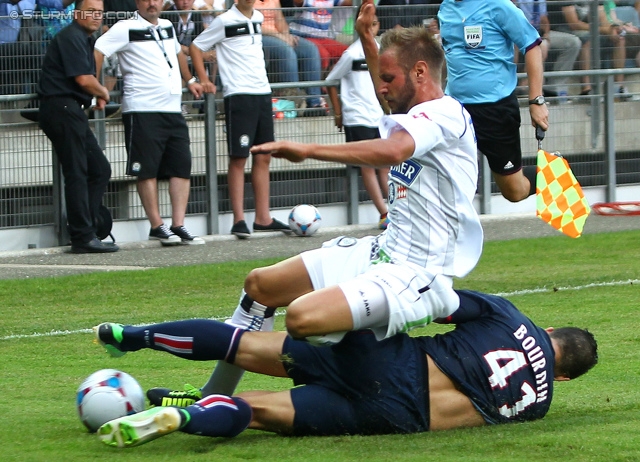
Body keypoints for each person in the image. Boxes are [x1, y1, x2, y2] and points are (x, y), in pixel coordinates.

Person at [151, 0, 484, 401]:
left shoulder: (445, 115)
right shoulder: (414, 110)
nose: (380, 88)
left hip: (416, 273)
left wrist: (308, 150)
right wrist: (365, 37)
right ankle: (211, 395)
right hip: (382, 251)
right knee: (260, 285)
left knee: (303, 319)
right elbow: (392, 105)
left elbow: (395, 151)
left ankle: (353, 385)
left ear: (420, 72)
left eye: (388, 79)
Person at [93, 289, 598, 446]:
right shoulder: (540, 404)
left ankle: (132, 337)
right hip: (397, 416)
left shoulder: (510, 315)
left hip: (394, 361)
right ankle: (186, 418)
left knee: (242, 345)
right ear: (566, 376)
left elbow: (436, 300)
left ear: (550, 329)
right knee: (256, 413)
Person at [94, 0, 207, 246]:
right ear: (138, 2)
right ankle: (157, 225)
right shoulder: (125, 27)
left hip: (172, 107)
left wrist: (190, 80)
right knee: (146, 169)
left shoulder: (167, 25)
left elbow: (177, 53)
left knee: (181, 166)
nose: (152, 3)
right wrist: (96, 86)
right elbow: (99, 49)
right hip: (142, 108)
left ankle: (178, 224)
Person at [189, 0, 292, 239]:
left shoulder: (256, 18)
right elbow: (196, 46)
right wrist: (204, 79)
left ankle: (263, 217)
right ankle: (238, 219)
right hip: (239, 95)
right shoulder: (224, 21)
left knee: (264, 155)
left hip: (262, 93)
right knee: (239, 156)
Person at [438, 0, 549, 203]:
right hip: (456, 110)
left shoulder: (498, 5)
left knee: (514, 191)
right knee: (446, 182)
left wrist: (536, 100)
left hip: (495, 111)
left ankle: (555, 168)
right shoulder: (445, 8)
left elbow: (532, 45)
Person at [36, 0, 119, 253]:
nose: (96, 17)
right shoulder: (71, 36)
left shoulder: (83, 39)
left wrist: (94, 95)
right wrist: (103, 92)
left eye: (99, 13)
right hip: (61, 109)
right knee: (77, 172)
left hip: (71, 110)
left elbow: (85, 80)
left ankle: (87, 227)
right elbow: (83, 79)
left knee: (99, 169)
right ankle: (82, 237)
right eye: (90, 11)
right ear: (76, 13)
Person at [325, 8, 389, 229]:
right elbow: (331, 81)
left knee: (385, 165)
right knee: (368, 166)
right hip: (357, 116)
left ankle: (395, 210)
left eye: (375, 24)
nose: (372, 29)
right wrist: (338, 112)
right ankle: (384, 212)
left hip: (377, 117)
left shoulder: (380, 52)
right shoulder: (351, 54)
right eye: (368, 25)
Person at [255, 0, 327, 115]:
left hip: (278, 35)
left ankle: (314, 102)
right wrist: (280, 36)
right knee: (286, 51)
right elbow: (252, 24)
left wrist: (286, 35)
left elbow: (281, 21)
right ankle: (294, 102)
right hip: (259, 36)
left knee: (310, 49)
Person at [516, 0, 581, 100]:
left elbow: (544, 20)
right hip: (518, 34)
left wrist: (546, 35)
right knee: (539, 46)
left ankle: (555, 88)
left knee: (573, 42)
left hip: (538, 33)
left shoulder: (539, 1)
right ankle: (527, 88)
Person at [288, 0, 352, 72]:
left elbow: (352, 2)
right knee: (323, 56)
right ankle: (321, 82)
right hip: (303, 37)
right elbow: (298, 2)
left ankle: (330, 80)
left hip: (322, 38)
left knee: (348, 54)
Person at [0, 0, 37, 95]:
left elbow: (58, 2)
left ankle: (36, 103)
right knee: (33, 54)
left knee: (36, 56)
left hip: (13, 49)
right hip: (4, 47)